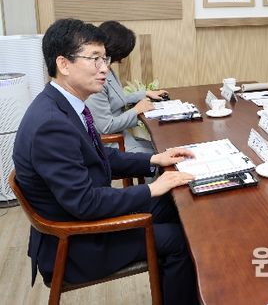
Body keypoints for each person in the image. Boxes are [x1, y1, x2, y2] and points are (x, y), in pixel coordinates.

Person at [12, 19, 199, 304]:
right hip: (78, 244)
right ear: (63, 64)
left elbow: (101, 156)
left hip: (82, 217)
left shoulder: (63, 105)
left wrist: (154, 159)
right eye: (95, 59)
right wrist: (151, 188)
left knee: (177, 204)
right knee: (181, 239)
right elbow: (86, 203)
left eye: (105, 59)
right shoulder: (51, 124)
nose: (105, 68)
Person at [86, 21, 167, 153]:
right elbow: (106, 127)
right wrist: (136, 110)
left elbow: (115, 99)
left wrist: (145, 94)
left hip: (123, 138)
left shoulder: (107, 69)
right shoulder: (95, 79)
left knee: (164, 147)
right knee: (164, 154)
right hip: (112, 145)